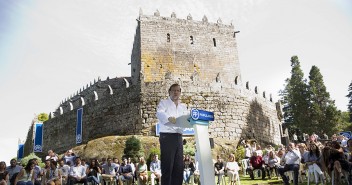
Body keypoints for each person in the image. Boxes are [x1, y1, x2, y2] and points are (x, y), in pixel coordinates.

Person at [156, 83, 189, 185]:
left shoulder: (183, 106)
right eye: (173, 90)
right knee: (168, 166)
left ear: (180, 93)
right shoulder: (164, 103)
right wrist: (168, 118)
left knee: (178, 167)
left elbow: (187, 117)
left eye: (178, 90)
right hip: (167, 136)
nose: (175, 92)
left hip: (179, 137)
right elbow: (160, 113)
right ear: (169, 92)